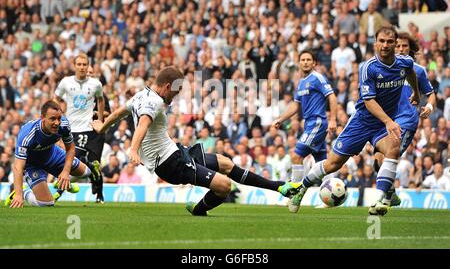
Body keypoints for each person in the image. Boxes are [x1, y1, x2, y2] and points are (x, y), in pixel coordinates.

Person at [92, 66, 301, 216]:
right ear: (166, 86)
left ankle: (279, 187)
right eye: (177, 90)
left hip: (176, 152)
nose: (177, 94)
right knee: (224, 186)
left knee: (225, 162)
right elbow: (143, 123)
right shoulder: (154, 103)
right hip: (170, 164)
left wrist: (102, 126)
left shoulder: (141, 95)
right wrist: (134, 149)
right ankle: (198, 209)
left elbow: (120, 112)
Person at [289, 26, 420, 216]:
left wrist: (416, 92)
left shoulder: (404, 62)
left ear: (395, 44)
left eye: (390, 42)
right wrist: (389, 122)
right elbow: (368, 101)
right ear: (375, 43)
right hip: (361, 122)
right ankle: (301, 189)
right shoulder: (368, 68)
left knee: (394, 146)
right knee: (333, 163)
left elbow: (411, 73)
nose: (385, 45)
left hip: (381, 125)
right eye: (381, 41)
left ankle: (381, 200)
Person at [373, 32, 436, 207]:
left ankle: (381, 202)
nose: (401, 49)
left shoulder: (418, 70)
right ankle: (391, 194)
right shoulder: (385, 68)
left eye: (405, 46)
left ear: (411, 49)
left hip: (407, 120)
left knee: (388, 157)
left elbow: (431, 95)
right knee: (377, 162)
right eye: (398, 45)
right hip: (388, 120)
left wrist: (428, 107)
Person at [271, 49, 337, 213]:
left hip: (317, 123)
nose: (306, 62)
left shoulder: (318, 78)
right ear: (299, 63)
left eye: (309, 59)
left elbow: (332, 96)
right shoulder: (301, 82)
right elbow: (295, 105)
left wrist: (334, 119)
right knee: (323, 161)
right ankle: (330, 198)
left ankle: (293, 194)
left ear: (314, 63)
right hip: (309, 124)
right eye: (303, 59)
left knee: (296, 155)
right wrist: (281, 118)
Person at [5, 101, 99, 208]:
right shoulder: (28, 134)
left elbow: (71, 148)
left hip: (53, 155)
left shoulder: (64, 124)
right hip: (33, 165)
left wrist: (65, 172)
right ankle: (24, 193)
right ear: (42, 118)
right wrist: (19, 194)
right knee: (47, 204)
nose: (57, 122)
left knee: (86, 172)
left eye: (59, 118)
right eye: (52, 119)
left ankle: (62, 183)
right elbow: (18, 167)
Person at [54, 53, 104, 202]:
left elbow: (101, 100)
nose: (82, 67)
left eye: (84, 64)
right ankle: (98, 191)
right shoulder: (65, 82)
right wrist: (56, 116)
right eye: (79, 64)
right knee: (83, 164)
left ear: (88, 66)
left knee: (75, 160)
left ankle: (58, 193)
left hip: (87, 130)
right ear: (74, 65)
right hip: (71, 129)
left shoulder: (95, 84)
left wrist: (100, 120)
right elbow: (56, 98)